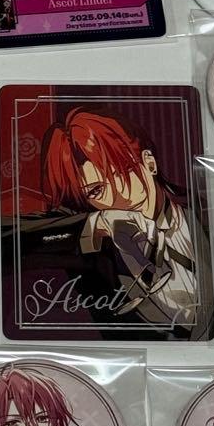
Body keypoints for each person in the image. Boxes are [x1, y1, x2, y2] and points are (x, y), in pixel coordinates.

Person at [15, 109, 199, 331]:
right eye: (96, 191)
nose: (119, 195)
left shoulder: (202, 214)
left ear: (149, 163)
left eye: (121, 172)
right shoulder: (95, 240)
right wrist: (97, 224)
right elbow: (1, 237)